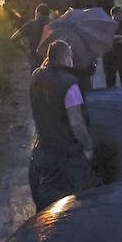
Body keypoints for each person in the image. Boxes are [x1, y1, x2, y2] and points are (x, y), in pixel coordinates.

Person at [27, 39, 95, 212]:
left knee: (46, 196)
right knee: (80, 197)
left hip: (44, 147)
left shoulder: (36, 76)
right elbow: (77, 123)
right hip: (68, 153)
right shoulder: (70, 84)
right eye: (70, 58)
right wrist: (87, 146)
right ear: (66, 59)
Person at [11, 3, 52, 70]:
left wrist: (25, 50)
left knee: (35, 78)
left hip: (34, 59)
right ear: (48, 15)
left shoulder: (30, 25)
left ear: (38, 13)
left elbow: (13, 38)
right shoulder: (54, 25)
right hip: (49, 60)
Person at [102, 6, 122, 88]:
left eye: (121, 14)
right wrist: (121, 37)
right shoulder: (107, 23)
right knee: (110, 79)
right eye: (119, 14)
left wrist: (117, 38)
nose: (121, 16)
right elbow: (107, 38)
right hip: (109, 55)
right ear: (113, 15)